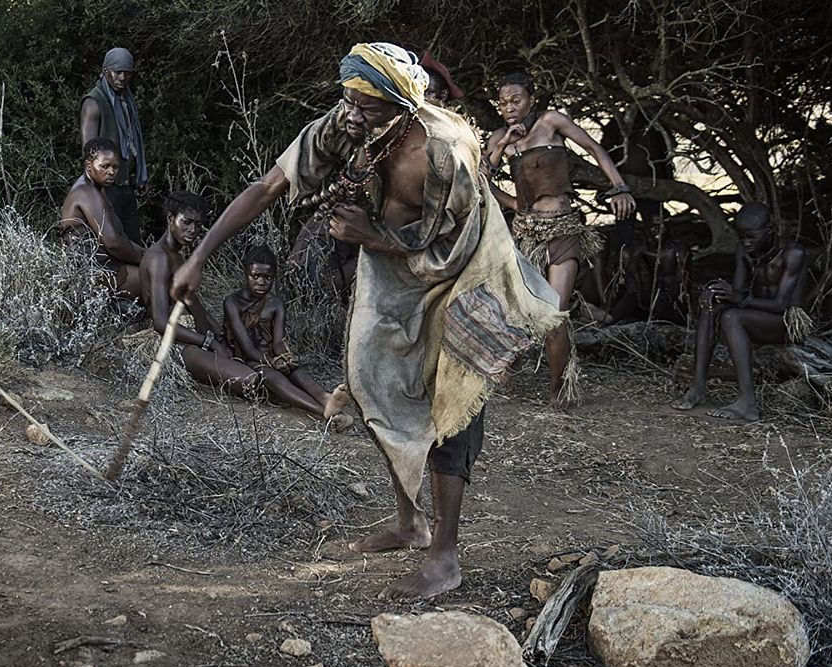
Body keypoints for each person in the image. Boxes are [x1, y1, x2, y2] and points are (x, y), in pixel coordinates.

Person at [169, 43, 564, 599]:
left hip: (466, 276)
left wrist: (370, 237)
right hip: (395, 275)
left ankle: (444, 556)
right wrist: (200, 255)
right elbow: (267, 187)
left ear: (402, 107)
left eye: (367, 107)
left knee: (451, 404)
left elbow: (456, 249)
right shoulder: (349, 123)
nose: (352, 115)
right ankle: (409, 523)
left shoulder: (444, 151)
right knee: (369, 380)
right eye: (348, 102)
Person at [483, 72, 636, 406]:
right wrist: (512, 194)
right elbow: (481, 180)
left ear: (532, 99)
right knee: (517, 308)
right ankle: (514, 360)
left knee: (554, 313)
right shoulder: (501, 137)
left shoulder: (551, 123)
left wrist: (619, 187)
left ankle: (558, 391)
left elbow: (593, 147)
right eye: (503, 102)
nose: (509, 107)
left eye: (516, 100)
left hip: (563, 228)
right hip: (526, 232)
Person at [140, 192, 354, 428]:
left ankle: (325, 401)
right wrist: (209, 342)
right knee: (254, 381)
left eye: (198, 224)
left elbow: (195, 308)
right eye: (186, 222)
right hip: (173, 347)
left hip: (193, 338)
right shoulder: (159, 259)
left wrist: (220, 336)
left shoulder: (177, 256)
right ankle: (323, 412)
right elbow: (160, 323)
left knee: (273, 365)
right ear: (170, 219)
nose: (193, 230)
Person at [673, 202, 809, 421]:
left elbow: (780, 305)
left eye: (751, 237)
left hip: (786, 323)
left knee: (731, 317)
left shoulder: (793, 254)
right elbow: (737, 294)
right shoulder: (744, 252)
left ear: (769, 229)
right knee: (712, 305)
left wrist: (739, 297)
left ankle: (748, 404)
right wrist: (716, 293)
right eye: (742, 237)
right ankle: (698, 388)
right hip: (756, 317)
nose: (746, 243)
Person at [223, 244, 353, 429]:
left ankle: (326, 399)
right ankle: (323, 412)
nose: (261, 282)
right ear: (246, 274)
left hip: (271, 356)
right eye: (255, 276)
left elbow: (278, 341)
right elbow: (246, 347)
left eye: (267, 277)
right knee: (272, 377)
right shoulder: (232, 302)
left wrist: (285, 356)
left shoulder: (276, 304)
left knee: (297, 372)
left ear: (274, 278)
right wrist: (272, 362)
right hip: (245, 359)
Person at [60, 137, 146, 298]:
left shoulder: (96, 190)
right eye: (104, 166)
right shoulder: (87, 193)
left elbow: (119, 237)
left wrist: (147, 254)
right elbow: (113, 244)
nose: (111, 172)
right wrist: (144, 261)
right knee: (159, 281)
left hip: (102, 268)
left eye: (115, 167)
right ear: (88, 165)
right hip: (92, 275)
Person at [81, 47, 147, 245]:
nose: (122, 77)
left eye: (127, 73)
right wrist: (96, 194)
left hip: (125, 185)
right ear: (105, 71)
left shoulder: (126, 99)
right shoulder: (94, 102)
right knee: (110, 247)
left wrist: (139, 174)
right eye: (117, 72)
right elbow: (89, 152)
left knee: (132, 242)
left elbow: (132, 140)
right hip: (105, 190)